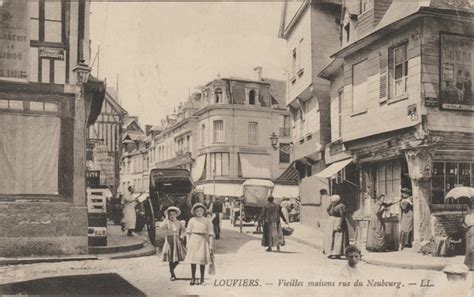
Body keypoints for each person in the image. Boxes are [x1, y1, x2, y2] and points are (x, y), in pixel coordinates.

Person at [184, 203, 214, 285]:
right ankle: (193, 278)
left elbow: (211, 233)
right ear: (194, 212)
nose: (199, 212)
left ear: (204, 211)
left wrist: (211, 245)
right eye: (197, 211)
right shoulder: (192, 220)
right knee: (193, 260)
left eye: (201, 210)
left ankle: (202, 279)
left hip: (203, 241)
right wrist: (187, 243)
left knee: (202, 260)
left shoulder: (207, 221)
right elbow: (188, 232)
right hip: (194, 239)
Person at [161, 206, 187, 281]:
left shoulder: (179, 222)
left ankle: (171, 269)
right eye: (170, 214)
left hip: (177, 240)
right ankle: (172, 274)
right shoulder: (166, 222)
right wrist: (166, 219)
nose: (172, 216)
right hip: (169, 241)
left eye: (174, 214)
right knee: (170, 258)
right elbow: (161, 227)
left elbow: (185, 231)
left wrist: (182, 235)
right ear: (168, 215)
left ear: (176, 215)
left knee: (178, 258)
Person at [323, 195, 349, 259]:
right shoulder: (332, 206)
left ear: (337, 201)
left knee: (338, 237)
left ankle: (337, 253)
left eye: (333, 202)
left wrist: (339, 225)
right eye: (332, 202)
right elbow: (330, 213)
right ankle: (330, 252)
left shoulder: (341, 206)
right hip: (332, 222)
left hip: (338, 221)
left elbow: (342, 216)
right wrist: (329, 208)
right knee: (331, 237)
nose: (332, 203)